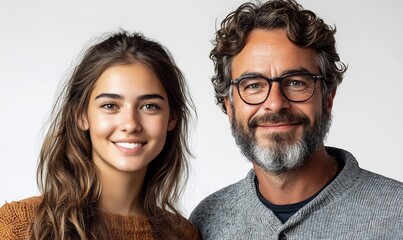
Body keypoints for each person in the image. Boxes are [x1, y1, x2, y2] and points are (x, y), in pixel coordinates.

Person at [190, 0, 403, 239]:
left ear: (328, 98)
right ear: (229, 106)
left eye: (296, 82)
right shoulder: (205, 222)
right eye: (253, 85)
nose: (275, 103)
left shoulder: (398, 215)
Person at [0, 31, 200, 240]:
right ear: (81, 116)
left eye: (149, 106)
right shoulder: (18, 226)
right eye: (110, 105)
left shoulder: (182, 235)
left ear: (172, 119)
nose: (130, 124)